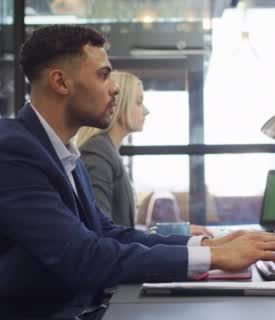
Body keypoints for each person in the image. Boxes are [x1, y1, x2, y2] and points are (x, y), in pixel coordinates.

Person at [0, 25, 275, 320]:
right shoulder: (13, 154)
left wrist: (202, 244)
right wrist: (212, 257)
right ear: (60, 82)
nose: (114, 87)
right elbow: (85, 258)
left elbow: (108, 233)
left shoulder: (59, 150)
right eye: (103, 74)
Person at [75, 71, 212, 237]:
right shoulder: (97, 152)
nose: (146, 111)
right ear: (118, 105)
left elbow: (120, 231)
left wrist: (176, 232)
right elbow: (102, 234)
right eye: (139, 102)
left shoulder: (109, 151)